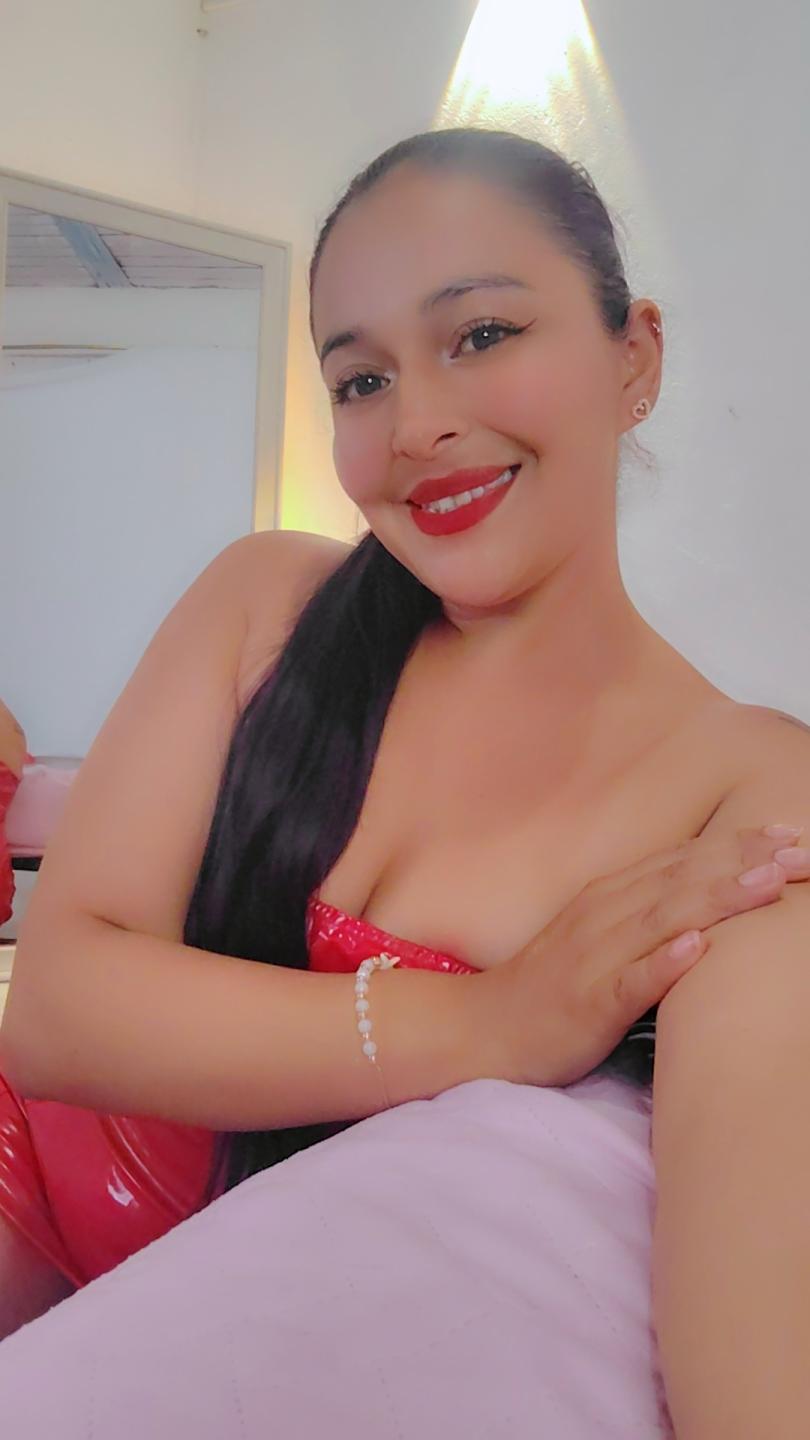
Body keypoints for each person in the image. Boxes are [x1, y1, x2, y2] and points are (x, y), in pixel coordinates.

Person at [0, 128, 807, 1371]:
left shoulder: (740, 783)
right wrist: (490, 1021)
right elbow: (55, 1012)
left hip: (247, 1344)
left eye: (481, 334)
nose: (415, 425)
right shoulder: (265, 604)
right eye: (361, 380)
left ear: (634, 357)